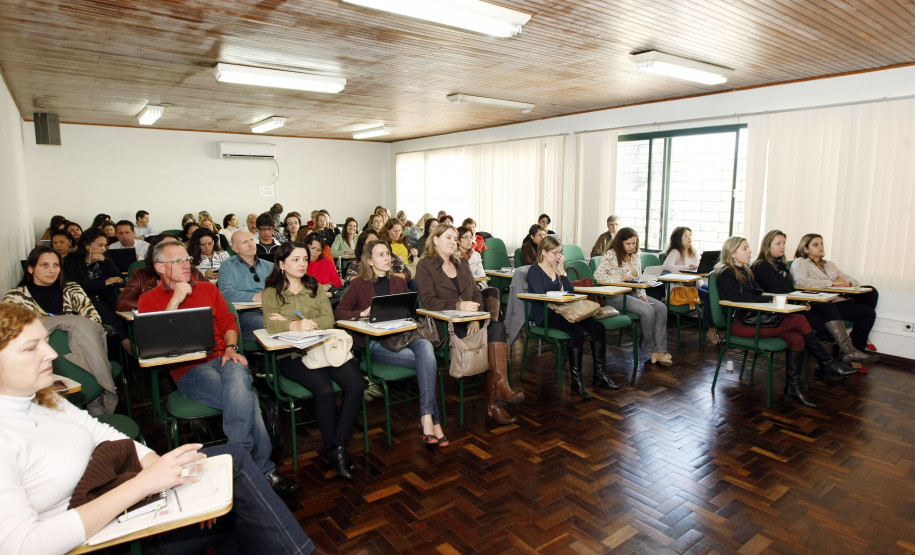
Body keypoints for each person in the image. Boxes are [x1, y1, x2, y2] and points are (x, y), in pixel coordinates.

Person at [0, 303, 316, 554]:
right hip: (101, 539)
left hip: (119, 503)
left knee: (232, 467)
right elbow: (24, 546)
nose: (52, 354)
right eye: (31, 348)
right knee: (239, 499)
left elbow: (106, 435)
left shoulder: (46, 400)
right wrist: (143, 485)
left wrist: (162, 473)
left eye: (45, 342)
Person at [139, 240, 299, 495]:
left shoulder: (206, 289)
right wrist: (176, 301)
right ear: (160, 267)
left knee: (240, 389)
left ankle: (238, 466)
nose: (185, 265)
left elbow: (228, 322)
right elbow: (157, 342)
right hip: (189, 368)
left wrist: (231, 348)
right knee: (248, 402)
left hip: (225, 357)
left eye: (186, 260)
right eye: (177, 261)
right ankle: (265, 471)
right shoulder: (149, 300)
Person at [263, 243, 363, 479]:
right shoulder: (271, 292)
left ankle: (337, 448)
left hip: (324, 349)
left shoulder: (314, 286)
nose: (301, 264)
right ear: (281, 264)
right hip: (292, 355)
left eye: (304, 259)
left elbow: (328, 319)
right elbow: (271, 324)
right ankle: (333, 450)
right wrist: (295, 324)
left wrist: (288, 318)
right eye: (295, 259)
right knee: (325, 390)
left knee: (357, 384)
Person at [715, 237, 851, 408]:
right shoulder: (725, 273)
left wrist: (774, 299)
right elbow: (736, 298)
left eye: (748, 247)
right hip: (739, 325)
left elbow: (758, 294)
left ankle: (793, 387)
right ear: (733, 253)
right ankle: (827, 363)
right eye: (745, 248)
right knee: (800, 319)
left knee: (797, 338)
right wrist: (770, 300)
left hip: (756, 320)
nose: (750, 251)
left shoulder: (746, 271)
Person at [336, 240, 449, 445]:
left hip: (402, 337)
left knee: (425, 346)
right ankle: (434, 420)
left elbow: (408, 311)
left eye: (388, 253)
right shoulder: (358, 284)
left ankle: (426, 417)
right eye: (381, 255)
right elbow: (339, 312)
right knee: (428, 362)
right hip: (375, 345)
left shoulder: (399, 282)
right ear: (369, 261)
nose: (387, 258)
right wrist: (362, 313)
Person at [416, 224, 523, 424]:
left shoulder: (462, 264)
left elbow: (475, 294)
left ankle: (499, 392)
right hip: (446, 326)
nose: (453, 241)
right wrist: (458, 305)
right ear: (435, 240)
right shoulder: (426, 265)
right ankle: (496, 402)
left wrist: (475, 317)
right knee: (491, 339)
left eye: (454, 238)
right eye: (448, 237)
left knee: (497, 327)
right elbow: (429, 301)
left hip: (470, 322)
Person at [752, 230, 876, 370]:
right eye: (778, 243)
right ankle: (830, 364)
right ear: (767, 246)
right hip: (776, 311)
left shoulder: (779, 264)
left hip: (791, 304)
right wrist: (802, 301)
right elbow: (781, 289)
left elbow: (789, 288)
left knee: (830, 308)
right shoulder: (762, 265)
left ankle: (841, 355)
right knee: (825, 320)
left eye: (784, 243)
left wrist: (803, 301)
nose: (782, 246)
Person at [528, 236, 620, 396]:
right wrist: (560, 293)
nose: (558, 256)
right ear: (544, 252)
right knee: (576, 332)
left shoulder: (557, 269)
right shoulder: (534, 271)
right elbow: (539, 295)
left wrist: (562, 272)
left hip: (565, 310)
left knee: (598, 327)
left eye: (560, 253)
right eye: (555, 253)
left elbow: (570, 292)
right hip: (546, 314)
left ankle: (600, 375)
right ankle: (576, 382)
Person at [790, 233, 880, 372]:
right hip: (819, 303)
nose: (821, 247)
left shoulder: (829, 264)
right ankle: (852, 354)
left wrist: (847, 283)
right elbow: (801, 281)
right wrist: (831, 283)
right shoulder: (800, 262)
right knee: (868, 313)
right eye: (816, 244)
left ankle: (855, 351)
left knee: (871, 293)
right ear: (806, 248)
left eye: (822, 243)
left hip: (837, 300)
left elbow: (853, 280)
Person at [593, 227, 672, 367]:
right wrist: (620, 278)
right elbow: (597, 276)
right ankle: (652, 349)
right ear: (620, 243)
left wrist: (642, 295)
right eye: (628, 244)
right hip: (615, 296)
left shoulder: (635, 256)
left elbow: (639, 279)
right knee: (648, 311)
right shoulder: (611, 255)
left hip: (633, 292)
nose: (632, 247)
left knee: (661, 307)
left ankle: (660, 350)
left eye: (634, 243)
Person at [62, 228, 128, 350]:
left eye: (105, 246)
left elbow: (119, 277)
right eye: (100, 245)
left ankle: (126, 347)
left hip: (108, 300)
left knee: (119, 320)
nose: (103, 249)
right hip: (84, 303)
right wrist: (104, 283)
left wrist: (106, 262)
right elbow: (73, 284)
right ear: (87, 246)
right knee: (110, 319)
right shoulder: (71, 260)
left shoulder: (104, 258)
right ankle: (127, 345)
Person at [118, 235, 207, 311]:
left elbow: (208, 294)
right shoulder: (140, 275)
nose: (185, 265)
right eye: (176, 260)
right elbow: (123, 303)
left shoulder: (191, 270)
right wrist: (168, 304)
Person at [218, 230, 272, 342]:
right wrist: (254, 297)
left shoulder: (270, 266)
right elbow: (226, 293)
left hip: (271, 309)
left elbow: (281, 289)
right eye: (244, 242)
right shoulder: (227, 266)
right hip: (244, 313)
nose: (250, 244)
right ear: (235, 249)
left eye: (252, 240)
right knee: (265, 324)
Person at [663, 226, 715, 343]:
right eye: (686, 236)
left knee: (714, 293)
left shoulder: (693, 251)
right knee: (708, 296)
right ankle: (711, 329)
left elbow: (699, 266)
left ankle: (715, 326)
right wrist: (687, 267)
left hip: (696, 284)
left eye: (690, 235)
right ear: (678, 238)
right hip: (681, 289)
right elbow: (667, 266)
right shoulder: (675, 251)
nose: (689, 238)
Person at [457, 225, 500, 321]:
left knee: (494, 291)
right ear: (458, 240)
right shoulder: (453, 256)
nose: (469, 240)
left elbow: (483, 277)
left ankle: (492, 323)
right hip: (462, 291)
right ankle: (476, 322)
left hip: (476, 288)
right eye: (465, 237)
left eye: (471, 237)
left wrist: (479, 286)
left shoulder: (476, 255)